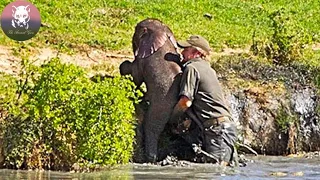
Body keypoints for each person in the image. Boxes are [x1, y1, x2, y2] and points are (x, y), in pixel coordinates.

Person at [169, 35, 237, 166]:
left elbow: (185, 102)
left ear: (197, 53)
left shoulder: (192, 68)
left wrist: (172, 119)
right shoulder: (209, 69)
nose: (182, 53)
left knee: (216, 170)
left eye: (186, 49)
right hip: (225, 129)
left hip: (217, 131)